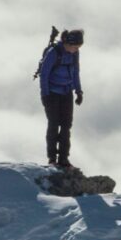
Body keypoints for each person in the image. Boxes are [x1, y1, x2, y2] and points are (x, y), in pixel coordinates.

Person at [35, 27, 83, 169]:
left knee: (66, 126)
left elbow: (76, 73)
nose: (75, 49)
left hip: (66, 92)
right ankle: (52, 159)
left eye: (78, 47)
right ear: (67, 42)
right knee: (54, 124)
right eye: (74, 47)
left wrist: (79, 91)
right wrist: (45, 95)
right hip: (52, 93)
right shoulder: (53, 53)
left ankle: (64, 159)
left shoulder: (74, 54)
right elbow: (44, 75)